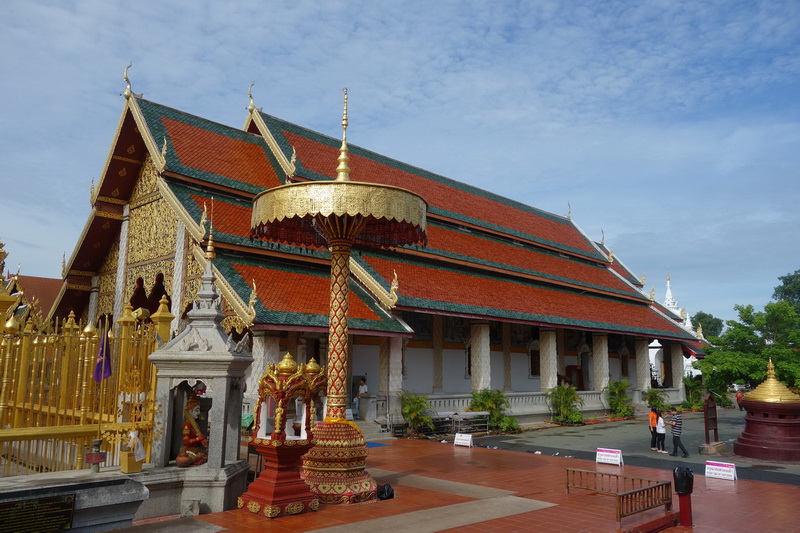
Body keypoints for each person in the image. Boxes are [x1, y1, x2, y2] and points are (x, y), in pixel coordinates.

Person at [176, 394, 208, 467]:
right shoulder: (187, 425)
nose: (199, 413)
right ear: (190, 411)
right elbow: (186, 442)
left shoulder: (195, 424)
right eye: (196, 410)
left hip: (196, 449)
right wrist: (197, 439)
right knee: (186, 459)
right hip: (189, 450)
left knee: (205, 455)